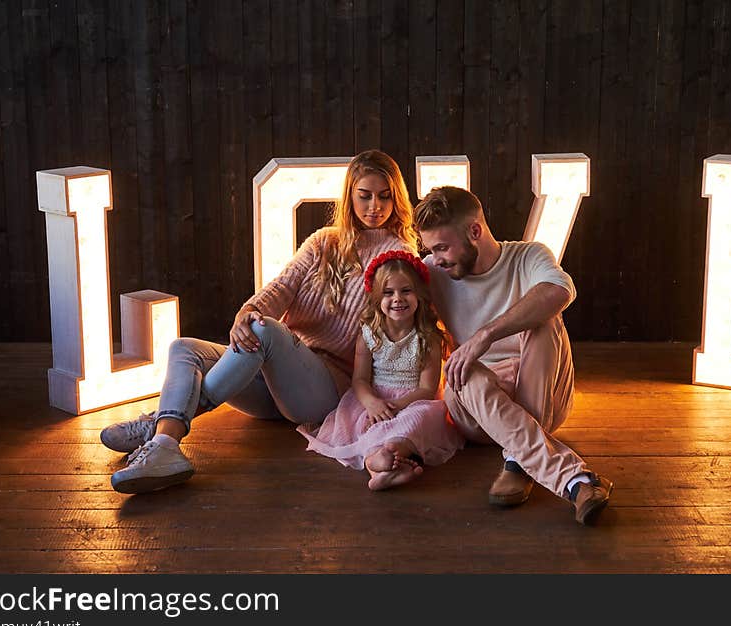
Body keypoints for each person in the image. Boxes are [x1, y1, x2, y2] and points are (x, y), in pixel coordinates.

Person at [102, 150, 419, 494]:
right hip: (273, 380)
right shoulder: (323, 241)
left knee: (265, 330)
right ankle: (165, 438)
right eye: (365, 196)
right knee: (184, 348)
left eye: (385, 196)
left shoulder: (400, 255)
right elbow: (282, 287)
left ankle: (162, 428)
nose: (375, 206)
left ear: (396, 198)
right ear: (349, 196)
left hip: (324, 390)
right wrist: (245, 313)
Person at [414, 186, 613, 525]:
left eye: (443, 247)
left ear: (475, 231)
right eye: (431, 249)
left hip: (541, 392)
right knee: (464, 368)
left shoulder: (528, 256)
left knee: (544, 319)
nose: (437, 257)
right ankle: (574, 480)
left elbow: (559, 290)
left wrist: (485, 335)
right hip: (476, 409)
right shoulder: (432, 270)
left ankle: (520, 459)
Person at [297, 250, 464, 490]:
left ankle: (391, 456)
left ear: (419, 295)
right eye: (388, 293)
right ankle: (376, 464)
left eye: (406, 291)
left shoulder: (428, 337)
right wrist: (373, 403)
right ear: (377, 298)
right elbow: (360, 380)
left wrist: (397, 406)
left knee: (421, 418)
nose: (398, 298)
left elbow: (428, 389)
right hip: (374, 398)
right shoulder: (369, 334)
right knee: (368, 425)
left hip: (413, 400)